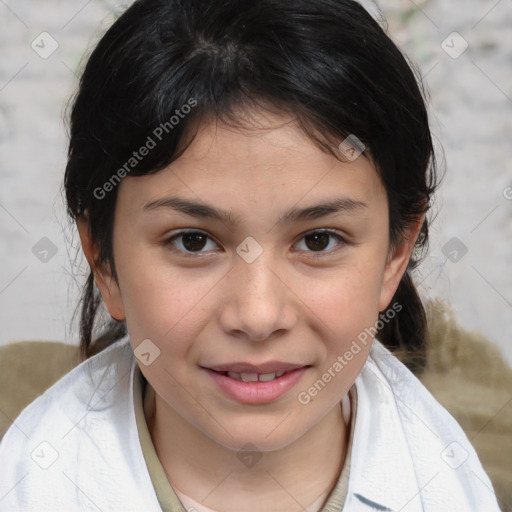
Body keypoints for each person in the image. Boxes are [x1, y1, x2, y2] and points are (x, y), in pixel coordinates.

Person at [0, 0, 502, 510]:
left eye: (318, 240)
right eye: (192, 241)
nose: (258, 316)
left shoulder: (456, 487)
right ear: (104, 261)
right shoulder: (31, 487)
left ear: (395, 253)